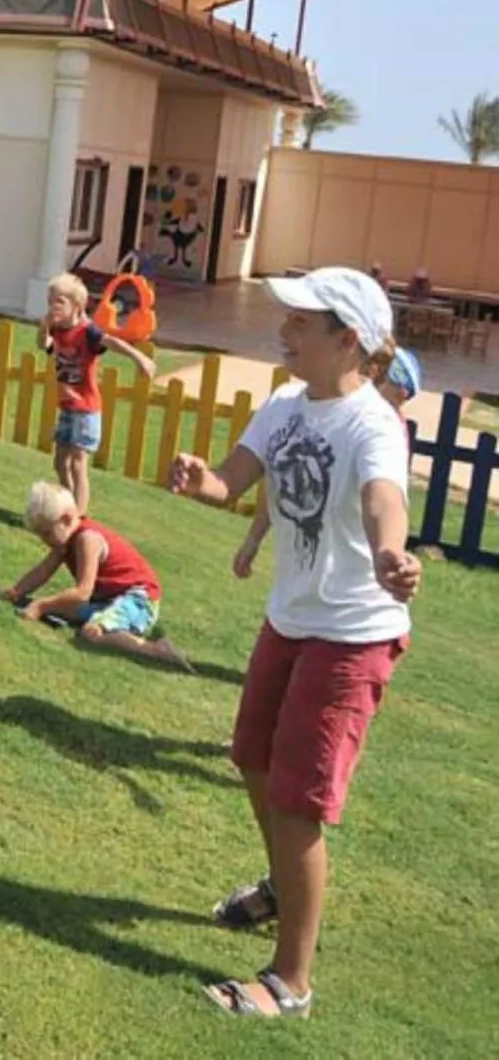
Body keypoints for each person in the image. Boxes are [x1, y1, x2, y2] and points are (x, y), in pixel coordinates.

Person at [169, 267, 420, 1020]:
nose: (284, 332)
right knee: (250, 757)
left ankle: (290, 982)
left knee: (297, 800)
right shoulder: (283, 405)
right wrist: (201, 480)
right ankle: (284, 886)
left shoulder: (373, 423)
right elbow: (234, 480)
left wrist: (389, 554)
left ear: (348, 341)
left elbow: (384, 497)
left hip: (352, 635)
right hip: (290, 619)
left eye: (302, 323)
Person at [233, 346, 420, 578]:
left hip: (352, 584)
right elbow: (283, 486)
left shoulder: (383, 429)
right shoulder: (313, 411)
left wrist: (390, 549)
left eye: (381, 379)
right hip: (301, 589)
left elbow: (385, 500)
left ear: (401, 394)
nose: (369, 381)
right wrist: (254, 539)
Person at [0, 482, 191, 670]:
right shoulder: (63, 542)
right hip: (110, 599)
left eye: (47, 533)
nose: (44, 540)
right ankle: (109, 621)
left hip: (139, 599)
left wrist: (42, 605)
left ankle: (157, 650)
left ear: (67, 519)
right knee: (62, 610)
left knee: (91, 632)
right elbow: (43, 571)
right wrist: (16, 591)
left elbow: (82, 592)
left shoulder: (87, 539)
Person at [40, 272, 158, 514]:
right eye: (50, 301)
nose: (53, 307)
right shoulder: (57, 329)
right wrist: (44, 325)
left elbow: (112, 342)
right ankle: (69, 507)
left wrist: (139, 358)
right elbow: (44, 345)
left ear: (77, 306)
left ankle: (79, 516)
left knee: (77, 463)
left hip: (86, 408)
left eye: (59, 302)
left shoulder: (87, 332)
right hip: (67, 407)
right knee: (60, 462)